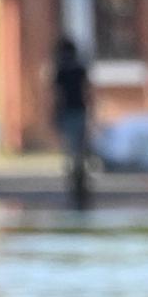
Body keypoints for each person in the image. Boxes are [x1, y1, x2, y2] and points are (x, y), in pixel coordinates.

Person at [52, 37, 91, 210]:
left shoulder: (60, 70)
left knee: (71, 150)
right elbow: (88, 92)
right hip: (79, 111)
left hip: (66, 112)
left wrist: (53, 114)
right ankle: (80, 181)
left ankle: (74, 181)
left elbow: (55, 95)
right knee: (79, 149)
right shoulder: (80, 69)